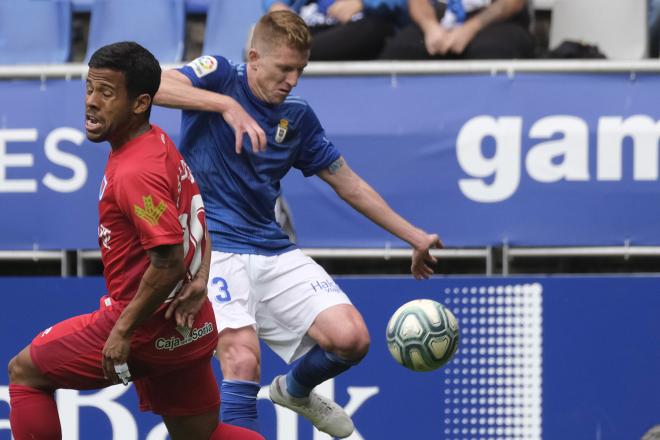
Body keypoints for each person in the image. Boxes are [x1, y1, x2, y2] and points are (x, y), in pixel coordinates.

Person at [154, 11, 441, 438]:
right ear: (253, 58)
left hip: (270, 247)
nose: (292, 80)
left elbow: (350, 185)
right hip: (211, 249)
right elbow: (152, 84)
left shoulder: (297, 117)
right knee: (242, 359)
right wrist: (225, 105)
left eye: (300, 70)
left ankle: (294, 390)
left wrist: (413, 236)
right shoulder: (216, 74)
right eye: (283, 68)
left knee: (351, 339)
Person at [7, 42, 263, 440]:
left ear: (141, 102)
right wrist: (200, 281)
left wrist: (123, 332)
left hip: (145, 328)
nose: (92, 102)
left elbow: (167, 261)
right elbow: (196, 216)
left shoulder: (134, 173)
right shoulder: (158, 142)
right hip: (190, 326)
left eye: (106, 93)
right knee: (203, 435)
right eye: (89, 88)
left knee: (24, 373)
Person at [379, 0, 535, 59]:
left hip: (493, 21)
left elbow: (513, 3)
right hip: (439, 19)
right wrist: (430, 27)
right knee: (400, 50)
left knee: (491, 51)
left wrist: (469, 29)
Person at [265, 0, 407, 60]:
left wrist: (362, 3)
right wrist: (276, 5)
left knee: (371, 31)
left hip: (363, 24)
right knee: (271, 35)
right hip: (313, 24)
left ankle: (292, 51)